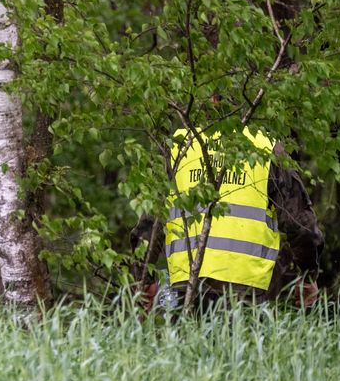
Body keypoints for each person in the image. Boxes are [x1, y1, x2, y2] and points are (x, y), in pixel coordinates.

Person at [130, 127, 323, 309]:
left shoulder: (178, 146)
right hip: (246, 289)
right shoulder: (267, 148)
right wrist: (307, 277)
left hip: (186, 287)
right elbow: (301, 226)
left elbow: (149, 225)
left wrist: (143, 278)